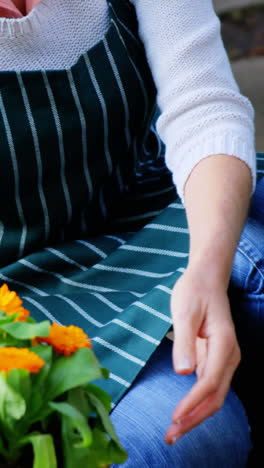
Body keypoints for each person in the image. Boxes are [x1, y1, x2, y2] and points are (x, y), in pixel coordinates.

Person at [0, 0, 258, 466]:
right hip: (27, 300)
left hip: (155, 203)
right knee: (181, 440)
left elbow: (204, 108)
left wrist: (206, 270)